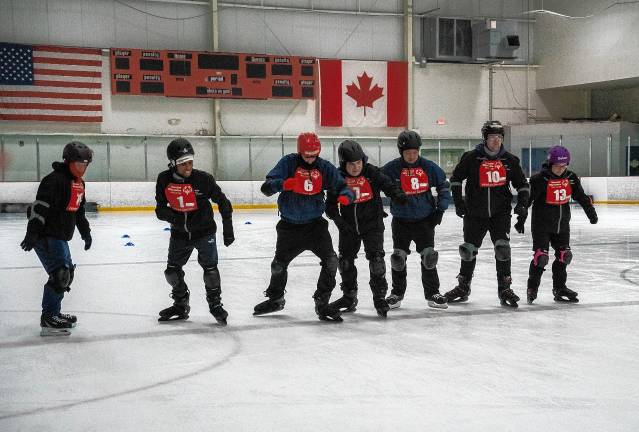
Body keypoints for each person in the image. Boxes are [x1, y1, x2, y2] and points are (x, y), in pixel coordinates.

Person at [255, 132, 354, 322]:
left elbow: (343, 186)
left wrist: (346, 197)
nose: (311, 158)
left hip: (315, 226)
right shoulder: (288, 163)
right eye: (307, 155)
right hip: (289, 227)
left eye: (314, 155)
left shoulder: (324, 166)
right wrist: (284, 184)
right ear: (300, 151)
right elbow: (266, 188)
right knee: (278, 266)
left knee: (331, 261)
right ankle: (275, 299)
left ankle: (322, 302)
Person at [445, 120, 529, 308]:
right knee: (468, 250)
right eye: (492, 138)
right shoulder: (471, 158)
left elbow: (522, 185)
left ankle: (504, 288)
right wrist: (458, 202)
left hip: (500, 213)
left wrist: (523, 206)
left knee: (502, 249)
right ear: (485, 138)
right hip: (475, 213)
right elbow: (456, 179)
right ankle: (463, 287)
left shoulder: (510, 160)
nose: (496, 141)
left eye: (499, 138)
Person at [155, 138, 234, 325]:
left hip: (204, 232)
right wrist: (172, 217)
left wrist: (228, 228)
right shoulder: (164, 179)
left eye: (190, 162)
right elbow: (160, 209)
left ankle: (215, 305)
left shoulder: (203, 179)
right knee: (172, 272)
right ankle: (181, 304)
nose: (188, 167)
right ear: (173, 164)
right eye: (183, 163)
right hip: (179, 234)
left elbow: (223, 202)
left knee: (210, 270)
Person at [325, 140, 407, 317]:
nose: (355, 167)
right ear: (343, 164)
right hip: (348, 228)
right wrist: (339, 223)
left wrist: (397, 194)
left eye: (358, 163)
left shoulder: (371, 172)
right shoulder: (338, 178)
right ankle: (349, 297)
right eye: (351, 164)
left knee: (376, 260)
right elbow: (330, 206)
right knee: (345, 262)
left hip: (372, 225)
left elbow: (388, 184)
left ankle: (379, 298)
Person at [20, 141, 93, 336]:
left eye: (85, 165)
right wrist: (32, 233)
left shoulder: (79, 184)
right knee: (60, 275)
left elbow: (79, 212)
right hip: (46, 234)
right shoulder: (53, 180)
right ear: (68, 162)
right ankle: (49, 317)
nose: (82, 169)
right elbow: (39, 208)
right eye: (78, 164)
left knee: (66, 274)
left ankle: (54, 313)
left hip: (60, 236)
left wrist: (86, 233)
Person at [515, 146, 598, 304]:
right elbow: (528, 200)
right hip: (542, 226)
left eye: (564, 166)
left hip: (562, 225)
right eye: (557, 166)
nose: (561, 169)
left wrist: (591, 213)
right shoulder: (539, 180)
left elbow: (581, 197)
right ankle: (532, 287)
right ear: (550, 163)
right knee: (541, 258)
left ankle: (559, 288)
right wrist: (521, 218)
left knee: (564, 256)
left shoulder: (571, 178)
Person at [381, 130, 451, 310]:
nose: (412, 156)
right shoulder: (392, 168)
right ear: (400, 152)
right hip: (401, 221)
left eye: (415, 152)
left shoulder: (428, 167)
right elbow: (375, 182)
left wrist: (441, 209)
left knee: (429, 257)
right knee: (398, 258)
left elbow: (443, 185)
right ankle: (396, 294)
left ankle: (432, 293)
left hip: (424, 220)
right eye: (407, 153)